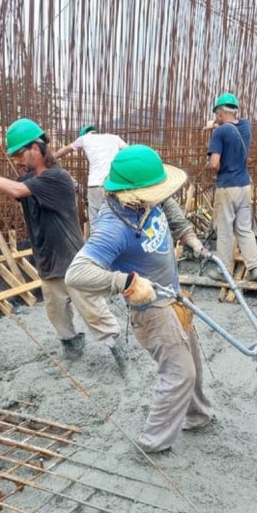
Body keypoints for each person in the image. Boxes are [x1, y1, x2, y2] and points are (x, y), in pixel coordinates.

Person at [65, 145, 213, 453]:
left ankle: (197, 416)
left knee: (192, 361)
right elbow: (76, 275)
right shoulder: (114, 227)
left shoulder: (146, 199)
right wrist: (126, 281)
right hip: (152, 310)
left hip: (172, 295)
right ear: (132, 192)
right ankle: (152, 444)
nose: (160, 193)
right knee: (179, 373)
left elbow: (168, 205)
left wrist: (191, 238)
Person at [0, 118, 126, 369]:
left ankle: (121, 357)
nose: (16, 161)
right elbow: (12, 187)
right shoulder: (31, 179)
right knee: (58, 317)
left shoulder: (57, 178)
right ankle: (73, 352)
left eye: (19, 154)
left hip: (73, 262)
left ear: (35, 148)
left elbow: (16, 191)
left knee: (95, 314)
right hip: (48, 262)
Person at [205, 92, 257, 282]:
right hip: (245, 185)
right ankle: (255, 268)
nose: (216, 118)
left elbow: (214, 163)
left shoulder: (219, 133)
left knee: (225, 229)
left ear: (221, 113)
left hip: (227, 187)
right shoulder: (246, 126)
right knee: (244, 229)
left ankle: (224, 271)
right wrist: (215, 125)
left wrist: (213, 169)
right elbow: (231, 126)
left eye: (216, 115)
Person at [55, 125, 127, 224]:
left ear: (83, 134)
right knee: (115, 218)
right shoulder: (114, 138)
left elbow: (65, 150)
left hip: (96, 184)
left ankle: (97, 238)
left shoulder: (84, 139)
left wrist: (52, 158)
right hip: (114, 185)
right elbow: (129, 151)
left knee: (96, 220)